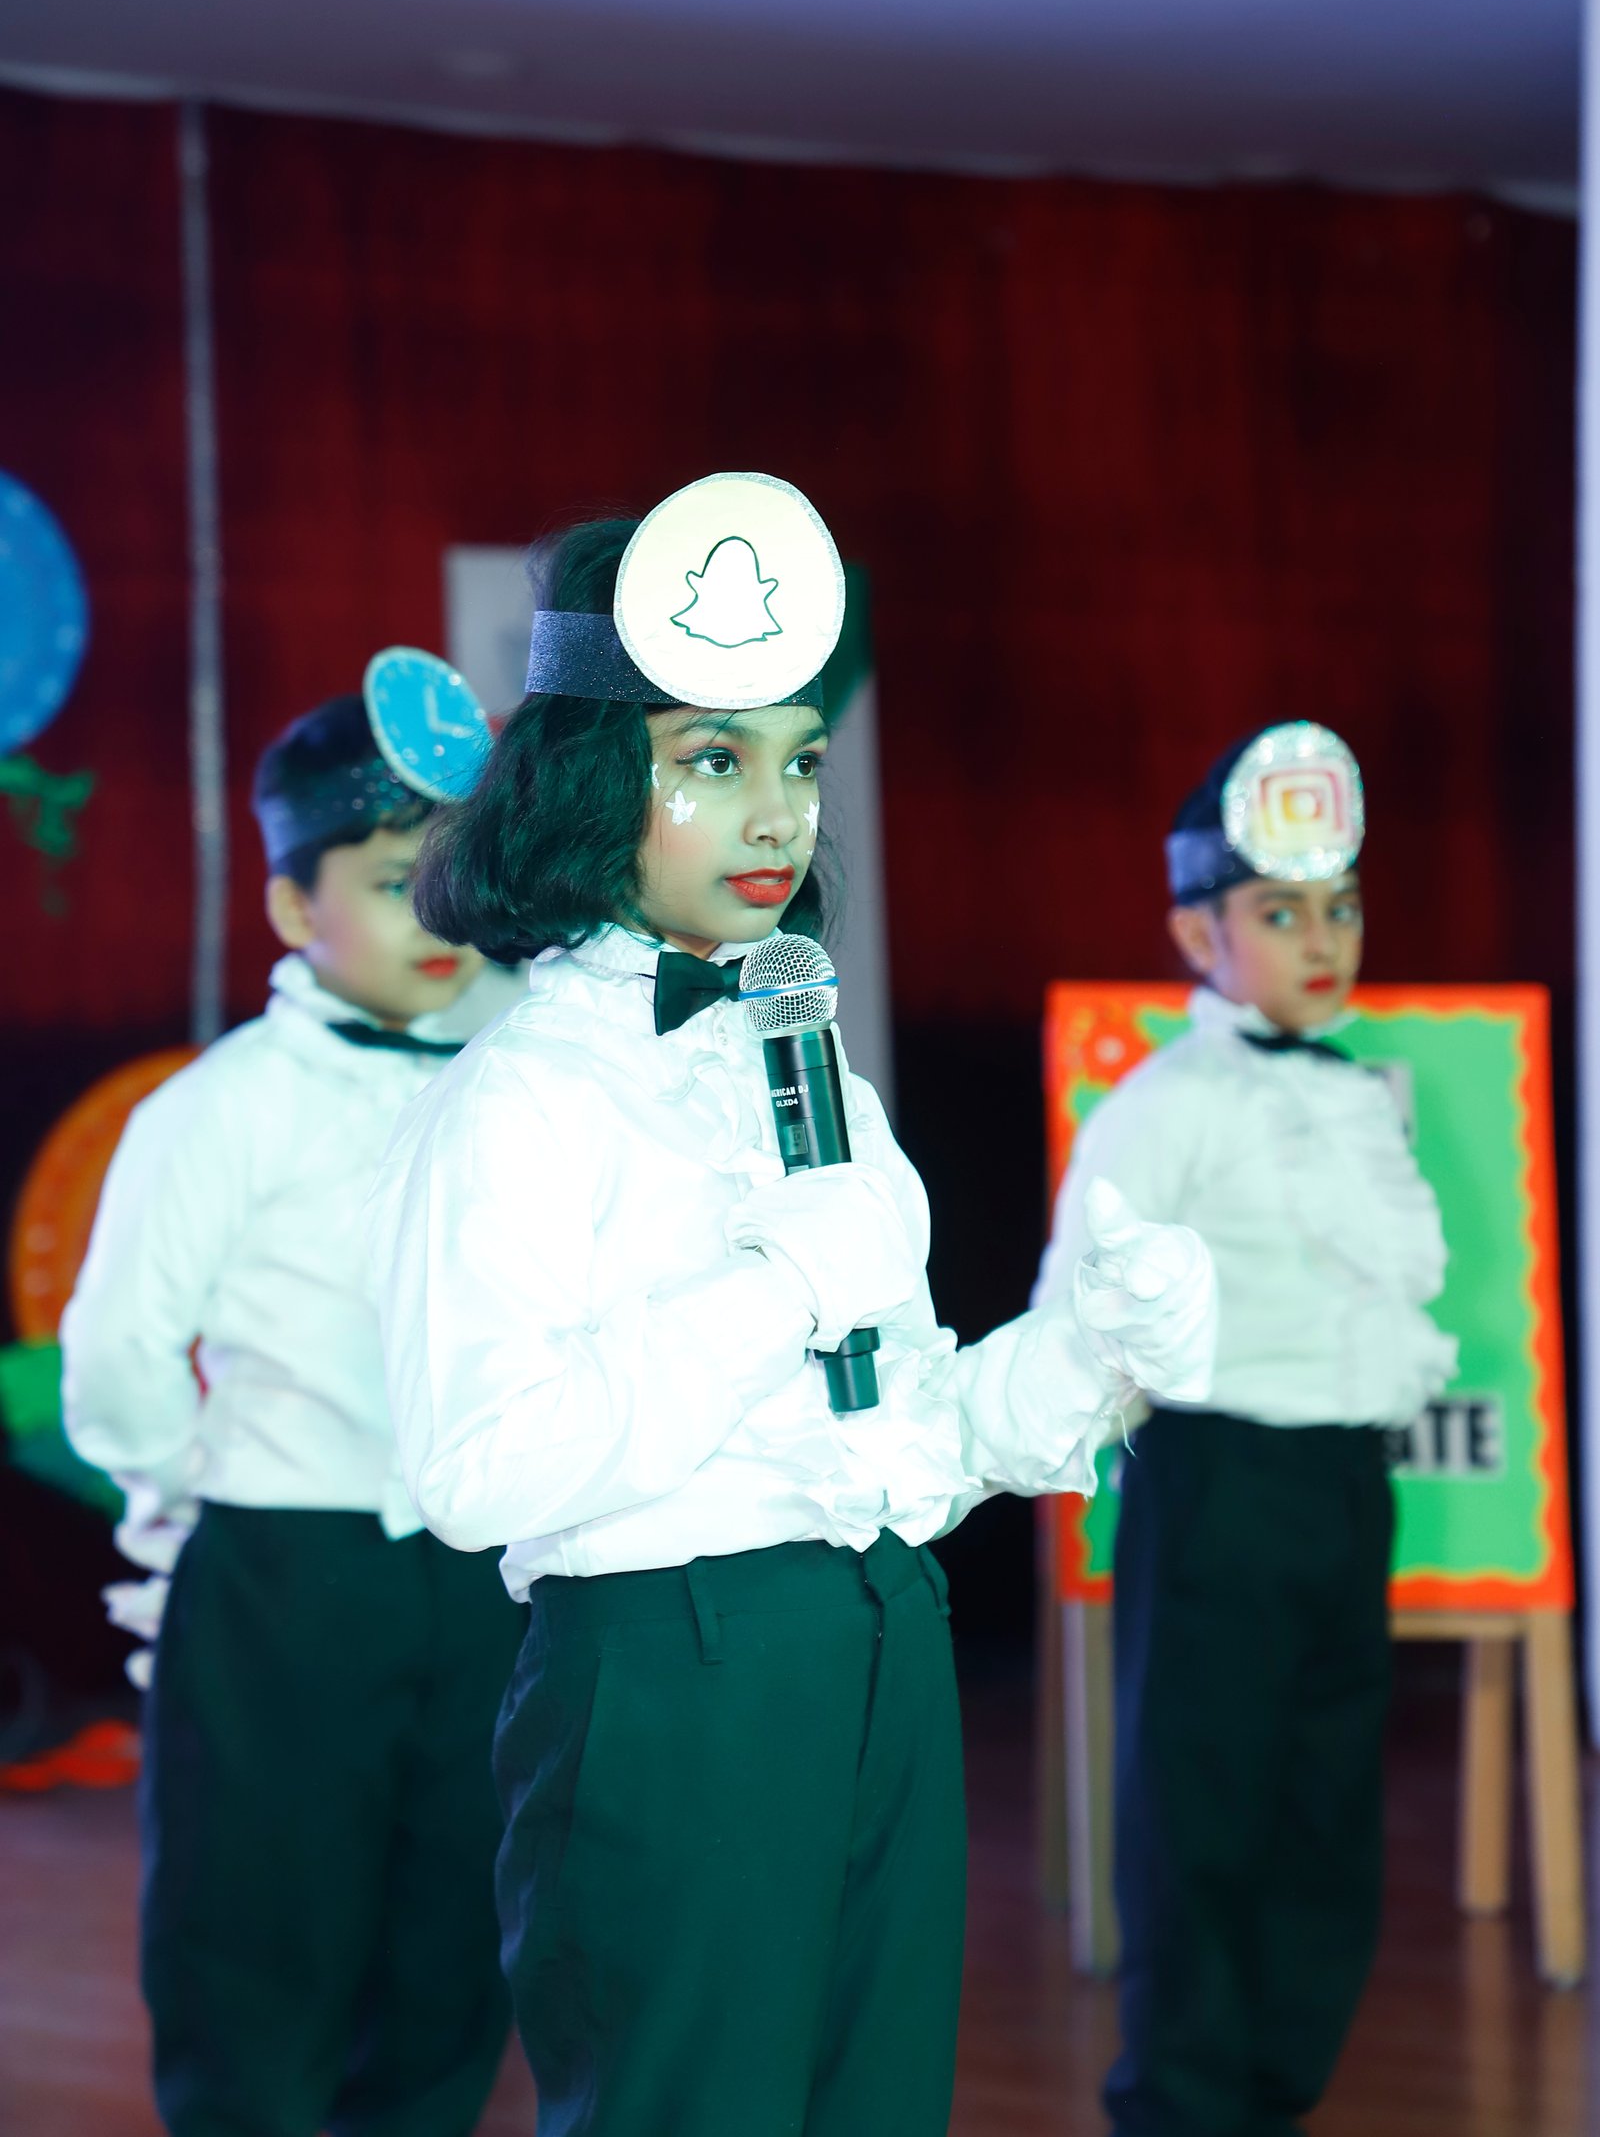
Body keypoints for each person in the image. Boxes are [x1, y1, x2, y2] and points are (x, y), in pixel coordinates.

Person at [367, 473, 1219, 2137]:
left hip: (885, 1637)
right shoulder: (517, 1099)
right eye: (713, 761)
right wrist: (775, 1292)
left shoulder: (809, 1063)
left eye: (800, 761)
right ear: (592, 778)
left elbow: (897, 1437)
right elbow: (477, 1467)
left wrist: (1087, 1355)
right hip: (671, 1676)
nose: (776, 817)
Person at [62, 660, 526, 2137]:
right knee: (256, 1939)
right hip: (282, 1575)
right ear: (287, 906)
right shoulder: (220, 1106)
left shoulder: (531, 1076)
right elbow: (116, 1354)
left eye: (456, 879)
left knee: (456, 1942)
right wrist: (188, 1491)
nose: (438, 918)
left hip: (491, 1571)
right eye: (394, 883)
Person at [1035, 720, 1457, 2137]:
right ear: (1195, 932)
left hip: (1341, 1484)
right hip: (1218, 1481)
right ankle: (1182, 2098)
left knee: (1325, 1799)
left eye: (1340, 906)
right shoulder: (1166, 1107)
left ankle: (1277, 2086)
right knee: (1200, 1805)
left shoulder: (1353, 1094)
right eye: (1280, 913)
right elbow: (1079, 1302)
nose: (1321, 940)